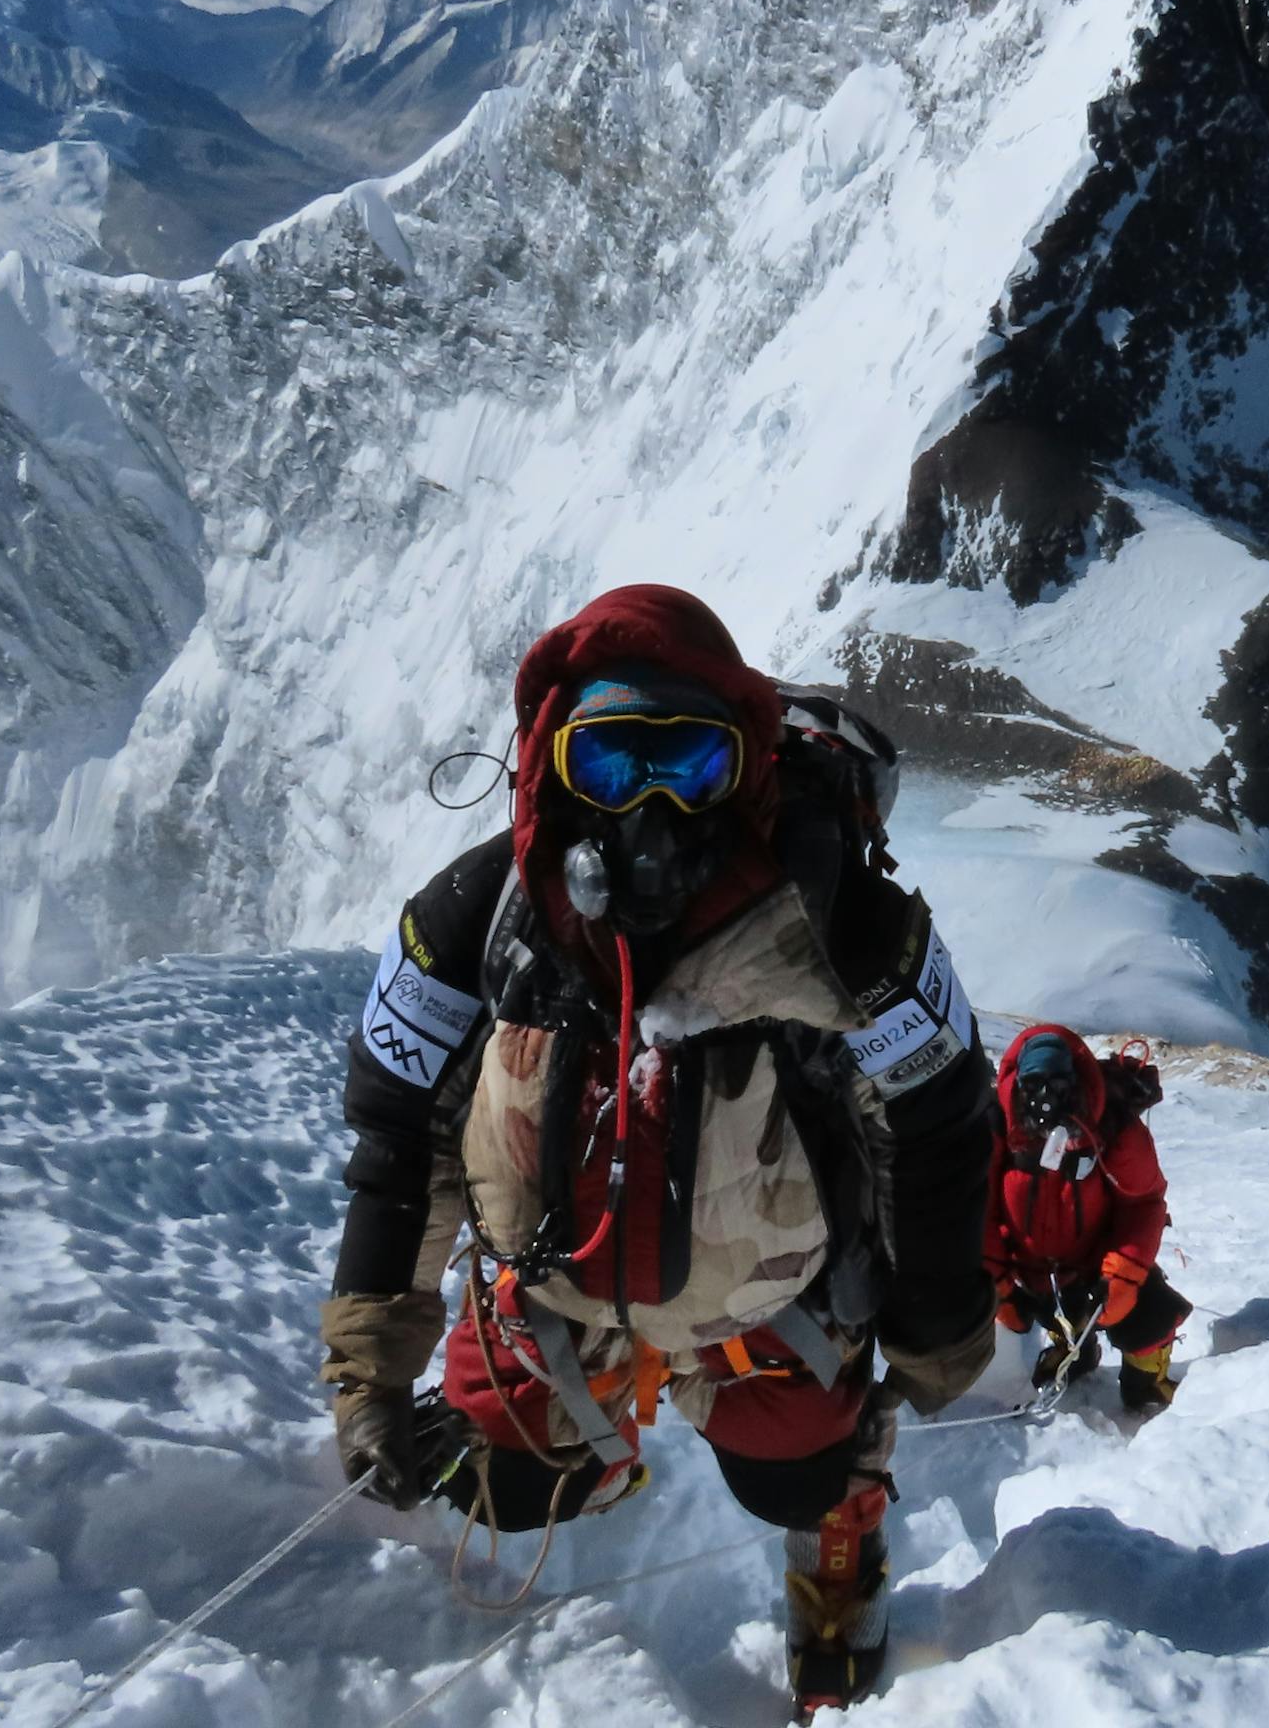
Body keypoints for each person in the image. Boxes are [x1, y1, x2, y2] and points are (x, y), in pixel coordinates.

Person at [316, 585, 996, 1719]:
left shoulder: (846, 924)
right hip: (562, 1283)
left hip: (766, 1302)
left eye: (689, 764)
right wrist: (368, 1364)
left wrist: (932, 1328)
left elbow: (935, 1127)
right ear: (549, 762)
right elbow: (399, 1135)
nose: (651, 808)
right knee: (509, 1487)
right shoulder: (476, 918)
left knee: (799, 1475)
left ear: (750, 765)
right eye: (610, 766)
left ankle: (833, 1504)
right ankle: (608, 1428)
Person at [985, 1025, 1191, 1411]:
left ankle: (1147, 1374)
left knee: (1145, 1315)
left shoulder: (1110, 1125)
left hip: (1098, 1269)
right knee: (1039, 1308)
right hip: (1028, 1274)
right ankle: (1073, 1347)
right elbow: (975, 1206)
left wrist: (1123, 1274)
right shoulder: (994, 1123)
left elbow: (1144, 1202)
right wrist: (996, 1280)